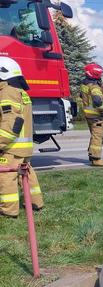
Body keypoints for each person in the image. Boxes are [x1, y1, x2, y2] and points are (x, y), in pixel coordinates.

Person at [0, 58, 44, 217]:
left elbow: (11, 122)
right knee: (27, 174)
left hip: (12, 146)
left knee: (6, 176)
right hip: (24, 147)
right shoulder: (20, 92)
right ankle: (34, 202)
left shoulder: (6, 92)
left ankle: (8, 211)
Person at [80, 63, 103, 167]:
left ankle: (91, 154)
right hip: (96, 116)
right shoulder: (94, 86)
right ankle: (96, 159)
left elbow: (83, 96)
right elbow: (97, 101)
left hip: (88, 115)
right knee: (98, 137)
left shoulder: (84, 85)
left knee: (94, 135)